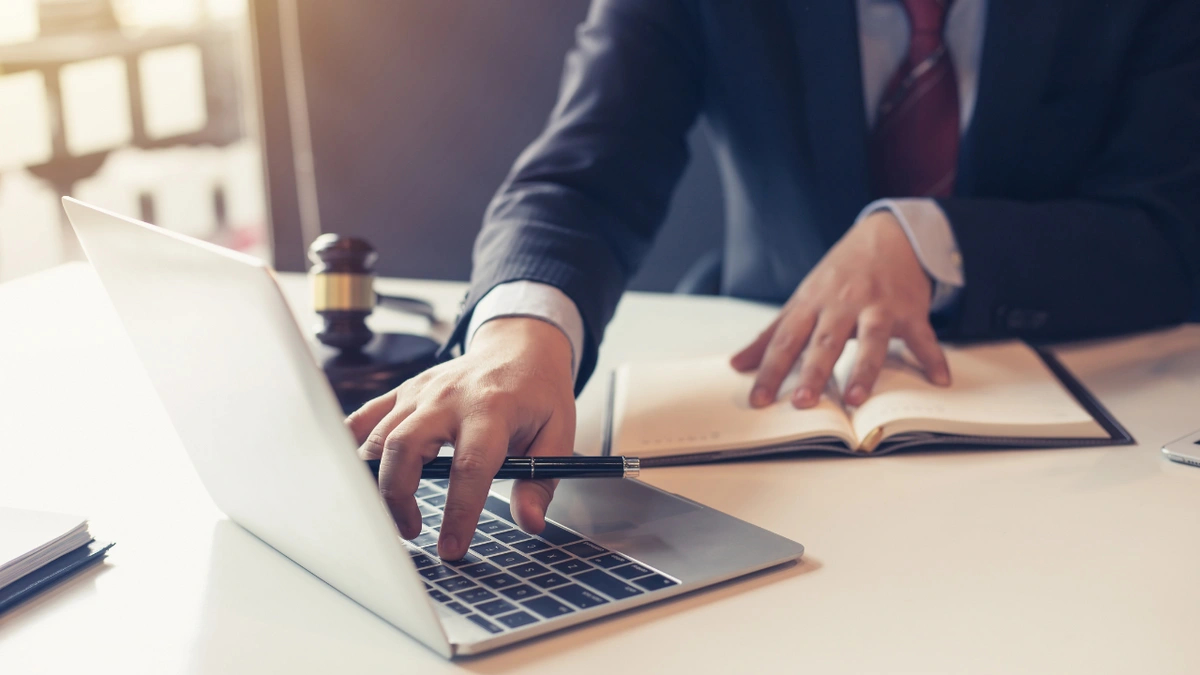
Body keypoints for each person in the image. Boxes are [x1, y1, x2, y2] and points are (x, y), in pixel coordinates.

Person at [347, 0, 1200, 560]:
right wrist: (518, 337)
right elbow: (580, 178)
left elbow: (1176, 224)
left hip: (1091, 432)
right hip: (771, 402)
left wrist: (930, 239)